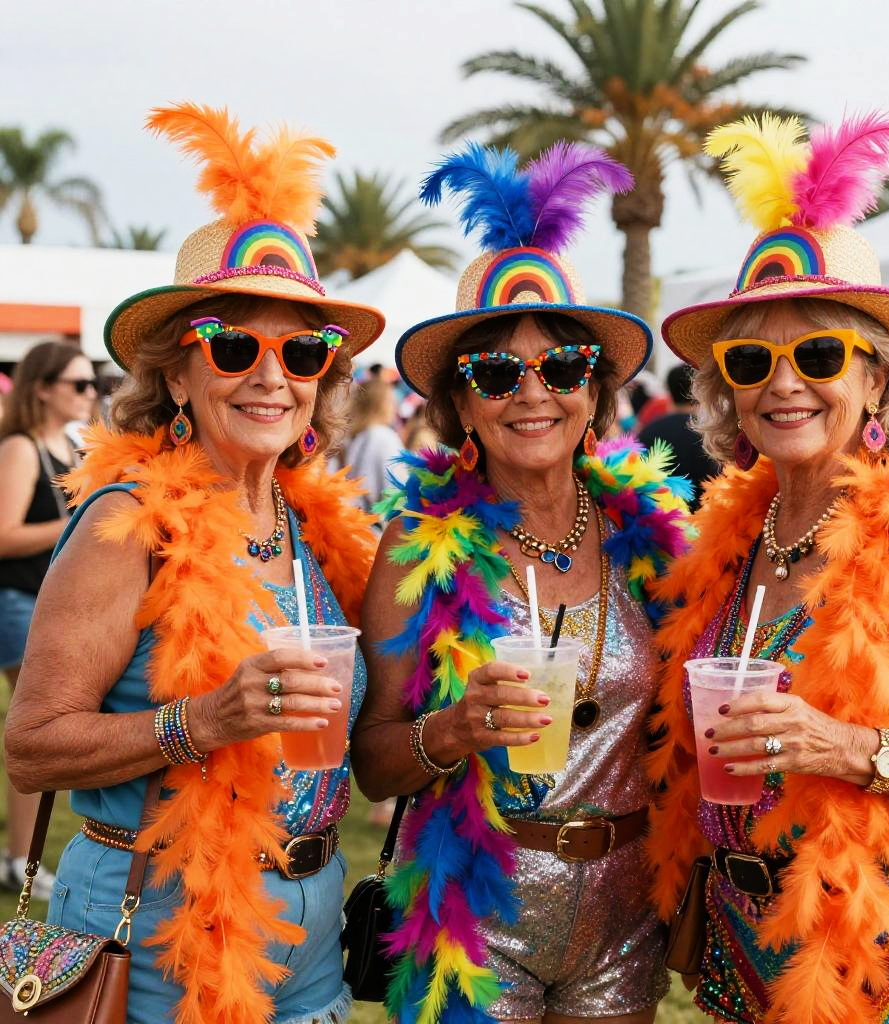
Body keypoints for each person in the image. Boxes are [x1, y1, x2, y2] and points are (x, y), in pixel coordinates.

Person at [3, 103, 385, 1024]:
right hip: (155, 938)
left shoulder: (315, 529)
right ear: (177, 374)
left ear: (323, 379)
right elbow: (31, 744)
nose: (271, 375)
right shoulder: (125, 526)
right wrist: (201, 720)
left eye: (302, 350)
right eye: (234, 345)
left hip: (310, 940)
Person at [646, 112, 889, 1024]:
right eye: (752, 360)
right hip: (741, 948)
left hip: (887, 958)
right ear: (728, 389)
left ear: (876, 379)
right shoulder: (736, 535)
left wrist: (843, 748)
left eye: (817, 354)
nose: (783, 383)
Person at [351, 142, 693, 1023]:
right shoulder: (417, 546)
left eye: (564, 366)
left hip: (625, 913)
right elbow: (374, 766)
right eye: (498, 373)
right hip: (475, 921)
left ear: (595, 391)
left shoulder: (650, 536)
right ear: (461, 405)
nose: (533, 393)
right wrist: (454, 728)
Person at [0, 340, 98, 897]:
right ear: (41, 388)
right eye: (78, 384)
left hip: (47, 605)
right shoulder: (20, 448)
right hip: (18, 603)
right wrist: (76, 524)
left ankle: (20, 858)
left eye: (92, 383)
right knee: (39, 733)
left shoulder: (71, 447)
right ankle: (21, 860)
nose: (89, 394)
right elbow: (3, 534)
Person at [638, 364, 720, 493]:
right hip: (704, 503)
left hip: (656, 503)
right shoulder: (711, 435)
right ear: (698, 392)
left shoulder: (649, 430)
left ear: (669, 391)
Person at [342, 377, 405, 513]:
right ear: (378, 404)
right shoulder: (383, 436)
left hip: (357, 518)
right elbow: (398, 492)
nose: (395, 407)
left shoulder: (355, 437)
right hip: (379, 520)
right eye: (390, 401)